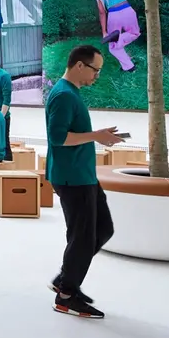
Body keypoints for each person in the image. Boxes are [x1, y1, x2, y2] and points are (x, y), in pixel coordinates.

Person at [47, 45, 123, 320]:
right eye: (95, 70)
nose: (97, 76)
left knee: (103, 229)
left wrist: (97, 135)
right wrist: (95, 136)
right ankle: (66, 296)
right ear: (80, 65)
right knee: (82, 238)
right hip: (72, 177)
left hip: (83, 175)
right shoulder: (64, 96)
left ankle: (65, 279)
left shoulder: (72, 94)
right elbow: (58, 137)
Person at [92, 0, 145, 72]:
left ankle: (129, 66)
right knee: (135, 33)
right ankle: (128, 65)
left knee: (113, 47)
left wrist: (104, 32)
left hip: (113, 16)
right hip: (127, 11)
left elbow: (102, 12)